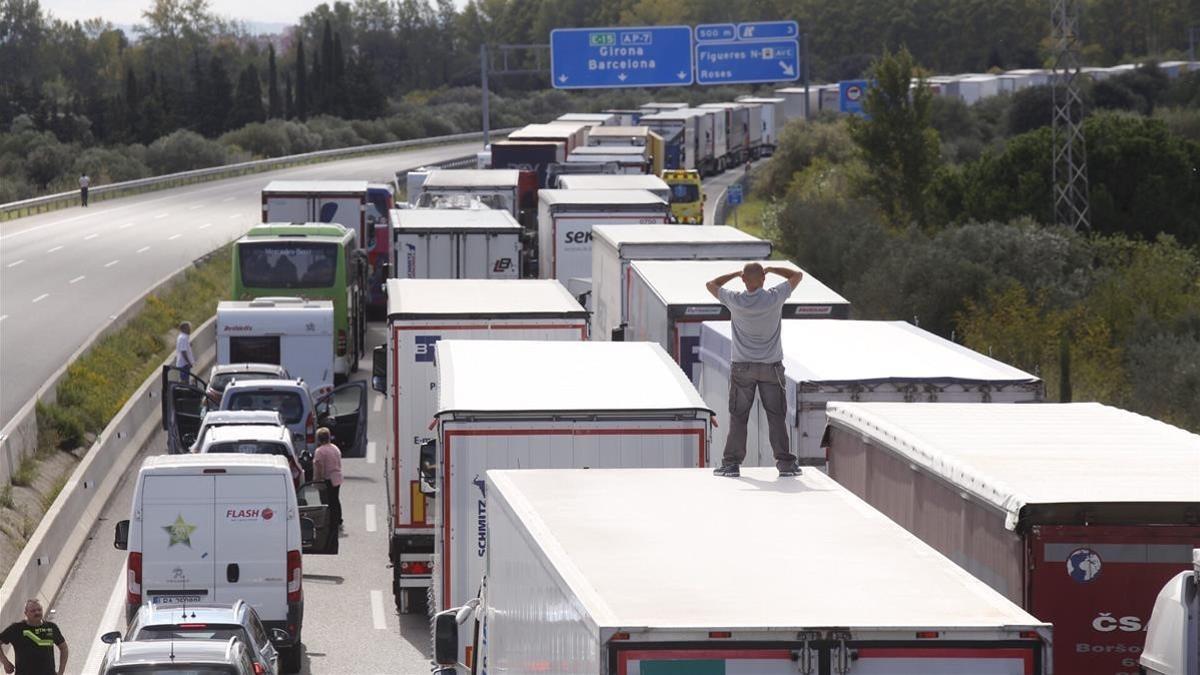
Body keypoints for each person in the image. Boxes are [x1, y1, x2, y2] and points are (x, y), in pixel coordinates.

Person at [706, 263, 805, 478]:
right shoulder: (774, 297)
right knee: (776, 417)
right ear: (763, 279)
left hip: (742, 368)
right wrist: (772, 269)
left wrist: (734, 274)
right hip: (772, 368)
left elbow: (711, 285)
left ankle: (731, 464)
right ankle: (785, 464)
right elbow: (798, 275)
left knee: (739, 417)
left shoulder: (735, 300)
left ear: (743, 280)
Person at [0, 599, 68, 675]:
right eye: (33, 611)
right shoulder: (16, 629)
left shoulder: (51, 627)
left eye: (39, 610)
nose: (37, 612)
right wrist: (5, 662)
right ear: (26, 613)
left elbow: (64, 648)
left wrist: (61, 672)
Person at [312, 427, 343, 530]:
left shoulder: (320, 451)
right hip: (337, 478)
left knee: (326, 501)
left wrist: (317, 480)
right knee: (335, 499)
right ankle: (338, 519)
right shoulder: (335, 448)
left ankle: (329, 521)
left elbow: (319, 467)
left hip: (327, 479)